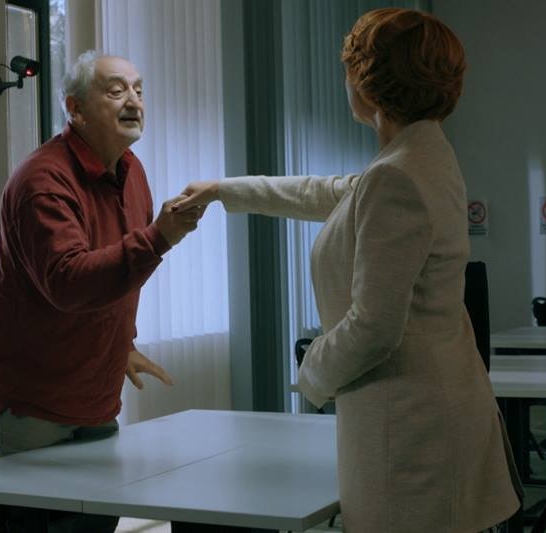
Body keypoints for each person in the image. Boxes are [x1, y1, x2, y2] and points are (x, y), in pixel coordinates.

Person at [173, 8, 521, 533]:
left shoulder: (397, 175)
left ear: (369, 82)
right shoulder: (421, 156)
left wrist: (310, 370)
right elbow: (328, 192)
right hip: (436, 404)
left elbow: (375, 327)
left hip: (410, 424)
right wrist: (224, 190)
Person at [0, 50, 202, 532]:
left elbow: (119, 270)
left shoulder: (132, 171)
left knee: (96, 522)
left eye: (139, 90)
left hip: (94, 388)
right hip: (35, 392)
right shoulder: (43, 180)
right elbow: (69, 282)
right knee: (40, 524)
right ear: (74, 108)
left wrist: (124, 342)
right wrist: (159, 236)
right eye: (116, 90)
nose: (134, 101)